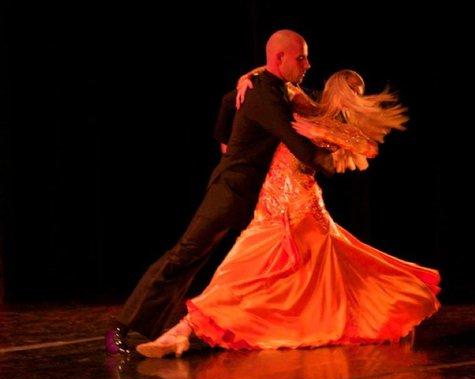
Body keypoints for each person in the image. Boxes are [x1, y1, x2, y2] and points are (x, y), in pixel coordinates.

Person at [135, 69, 441, 357]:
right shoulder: (302, 102)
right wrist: (249, 76)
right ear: (338, 89)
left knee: (257, 279)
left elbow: (369, 148)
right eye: (353, 90)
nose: (356, 98)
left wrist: (321, 130)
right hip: (271, 208)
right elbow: (275, 78)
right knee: (241, 276)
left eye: (359, 93)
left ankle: (180, 332)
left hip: (300, 211)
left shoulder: (328, 122)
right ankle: (179, 333)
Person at [105, 29, 335, 355]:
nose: (307, 64)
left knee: (242, 265)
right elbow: (300, 146)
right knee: (185, 254)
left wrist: (224, 138)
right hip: (230, 192)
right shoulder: (266, 96)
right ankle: (121, 328)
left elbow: (230, 100)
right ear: (279, 58)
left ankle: (182, 328)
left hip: (254, 195)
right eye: (301, 57)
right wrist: (340, 156)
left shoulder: (267, 87)